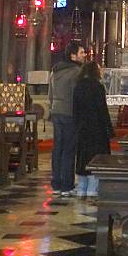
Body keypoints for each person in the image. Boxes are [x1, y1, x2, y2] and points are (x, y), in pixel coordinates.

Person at [48, 41, 86, 196]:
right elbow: (77, 95)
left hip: (56, 111)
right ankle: (67, 185)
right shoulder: (77, 72)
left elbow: (50, 94)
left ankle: (56, 183)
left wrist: (54, 106)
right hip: (69, 113)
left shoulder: (55, 70)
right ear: (73, 55)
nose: (84, 55)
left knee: (58, 148)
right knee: (69, 150)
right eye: (82, 52)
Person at [72, 61, 114, 198]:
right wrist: (109, 128)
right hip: (96, 128)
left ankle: (81, 190)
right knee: (96, 158)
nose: (101, 71)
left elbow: (75, 109)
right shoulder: (97, 87)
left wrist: (76, 125)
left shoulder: (78, 86)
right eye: (99, 69)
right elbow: (102, 110)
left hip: (82, 128)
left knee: (83, 157)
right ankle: (92, 190)